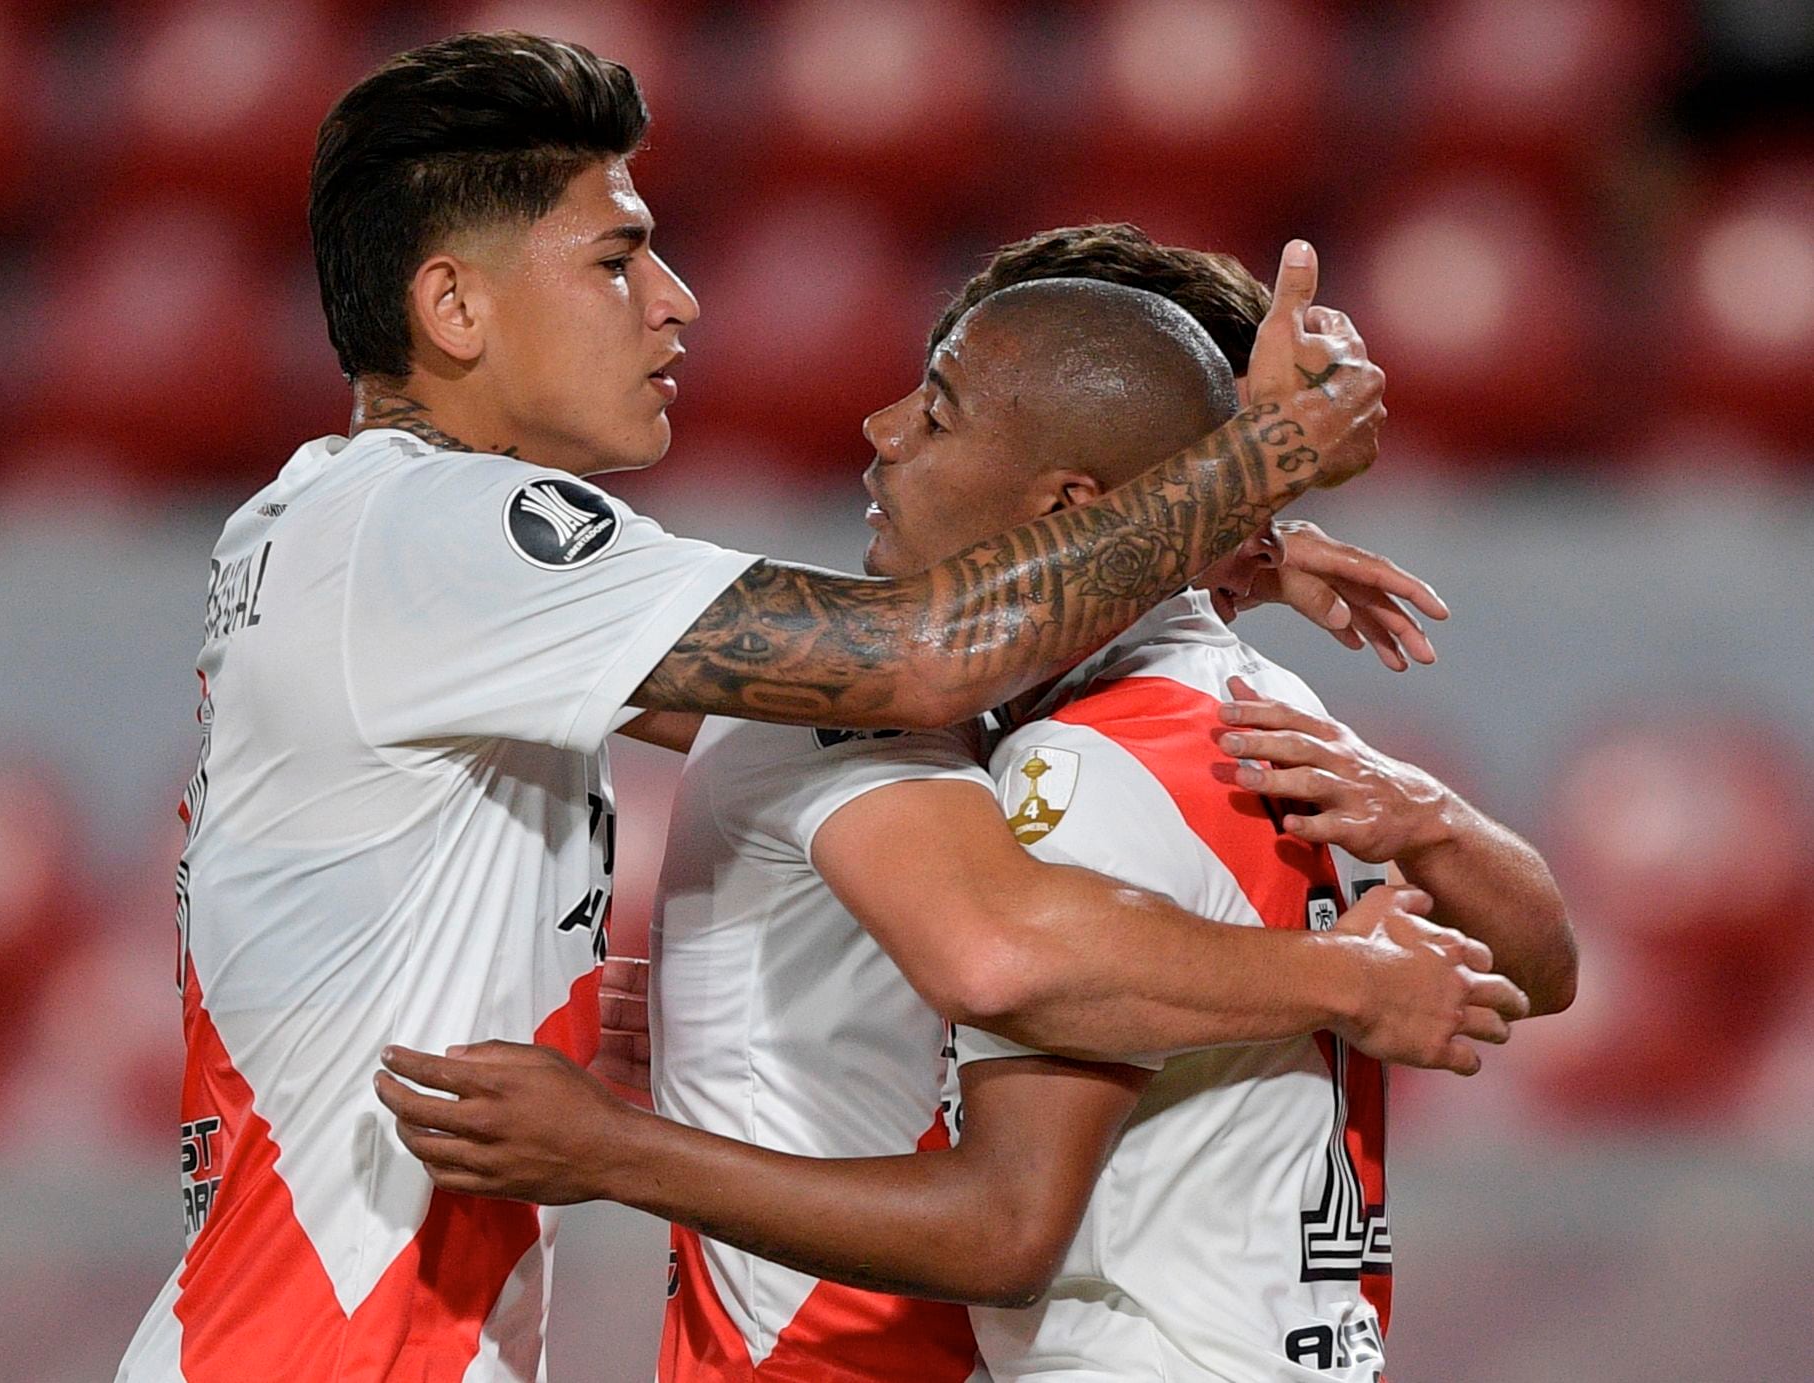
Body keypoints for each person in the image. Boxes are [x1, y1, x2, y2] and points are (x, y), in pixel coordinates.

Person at [114, 26, 1402, 1380]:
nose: (673, 302)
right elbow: (916, 657)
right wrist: (1249, 468)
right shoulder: (442, 525)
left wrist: (1199, 569)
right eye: (616, 260)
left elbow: (851, 693)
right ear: (455, 307)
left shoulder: (337, 531)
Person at [375, 236, 1575, 1381]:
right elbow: (1534, 972)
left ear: (1073, 502)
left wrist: (610, 1151)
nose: (881, 432)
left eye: (939, 408)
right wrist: (1237, 559)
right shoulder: (1254, 709)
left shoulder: (1087, 766)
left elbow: (1005, 1212)